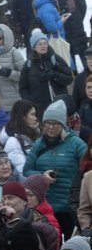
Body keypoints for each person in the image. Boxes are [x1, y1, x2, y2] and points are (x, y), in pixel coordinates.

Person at [24, 99, 86, 239]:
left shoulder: (76, 144)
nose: (50, 127)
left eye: (55, 123)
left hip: (69, 208)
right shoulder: (39, 144)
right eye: (47, 123)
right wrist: (41, 176)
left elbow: (88, 169)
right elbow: (27, 170)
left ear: (63, 125)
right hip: (45, 209)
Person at [19, 30, 73, 118]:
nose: (43, 46)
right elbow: (23, 87)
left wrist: (55, 75)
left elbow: (69, 78)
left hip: (58, 105)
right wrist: (29, 103)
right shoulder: (28, 64)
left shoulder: (55, 59)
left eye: (45, 43)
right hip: (39, 108)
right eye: (40, 44)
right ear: (34, 47)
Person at [0, 24, 25, 112]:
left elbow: (24, 76)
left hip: (15, 101)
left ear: (6, 37)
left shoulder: (14, 53)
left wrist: (9, 73)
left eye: (0, 38)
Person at [56, 0, 88, 70]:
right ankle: (74, 75)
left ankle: (88, 72)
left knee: (83, 52)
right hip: (65, 27)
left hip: (77, 26)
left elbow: (83, 6)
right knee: (70, 52)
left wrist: (78, 18)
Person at [0, 100, 41, 174]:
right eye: (33, 115)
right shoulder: (13, 141)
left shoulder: (35, 134)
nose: (35, 118)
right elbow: (21, 171)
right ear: (23, 117)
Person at [23, 174, 61, 250]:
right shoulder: (22, 213)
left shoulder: (49, 220)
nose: (25, 198)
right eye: (23, 194)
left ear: (39, 197)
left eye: (29, 195)